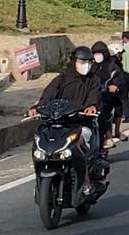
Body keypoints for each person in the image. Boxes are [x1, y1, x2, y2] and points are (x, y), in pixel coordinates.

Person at [28, 46, 101, 194]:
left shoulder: (93, 80)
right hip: (56, 124)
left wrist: (91, 107)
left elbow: (95, 98)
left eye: (88, 62)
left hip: (80, 124)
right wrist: (37, 107)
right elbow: (47, 96)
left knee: (79, 142)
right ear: (74, 61)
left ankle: (85, 181)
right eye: (81, 61)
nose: (85, 65)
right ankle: (39, 184)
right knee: (40, 142)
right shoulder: (61, 79)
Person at [91, 41, 124, 148]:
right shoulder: (90, 66)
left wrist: (115, 86)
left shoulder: (112, 66)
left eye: (100, 53)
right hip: (92, 95)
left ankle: (114, 133)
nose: (97, 55)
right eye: (95, 53)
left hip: (107, 96)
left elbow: (119, 79)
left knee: (116, 106)